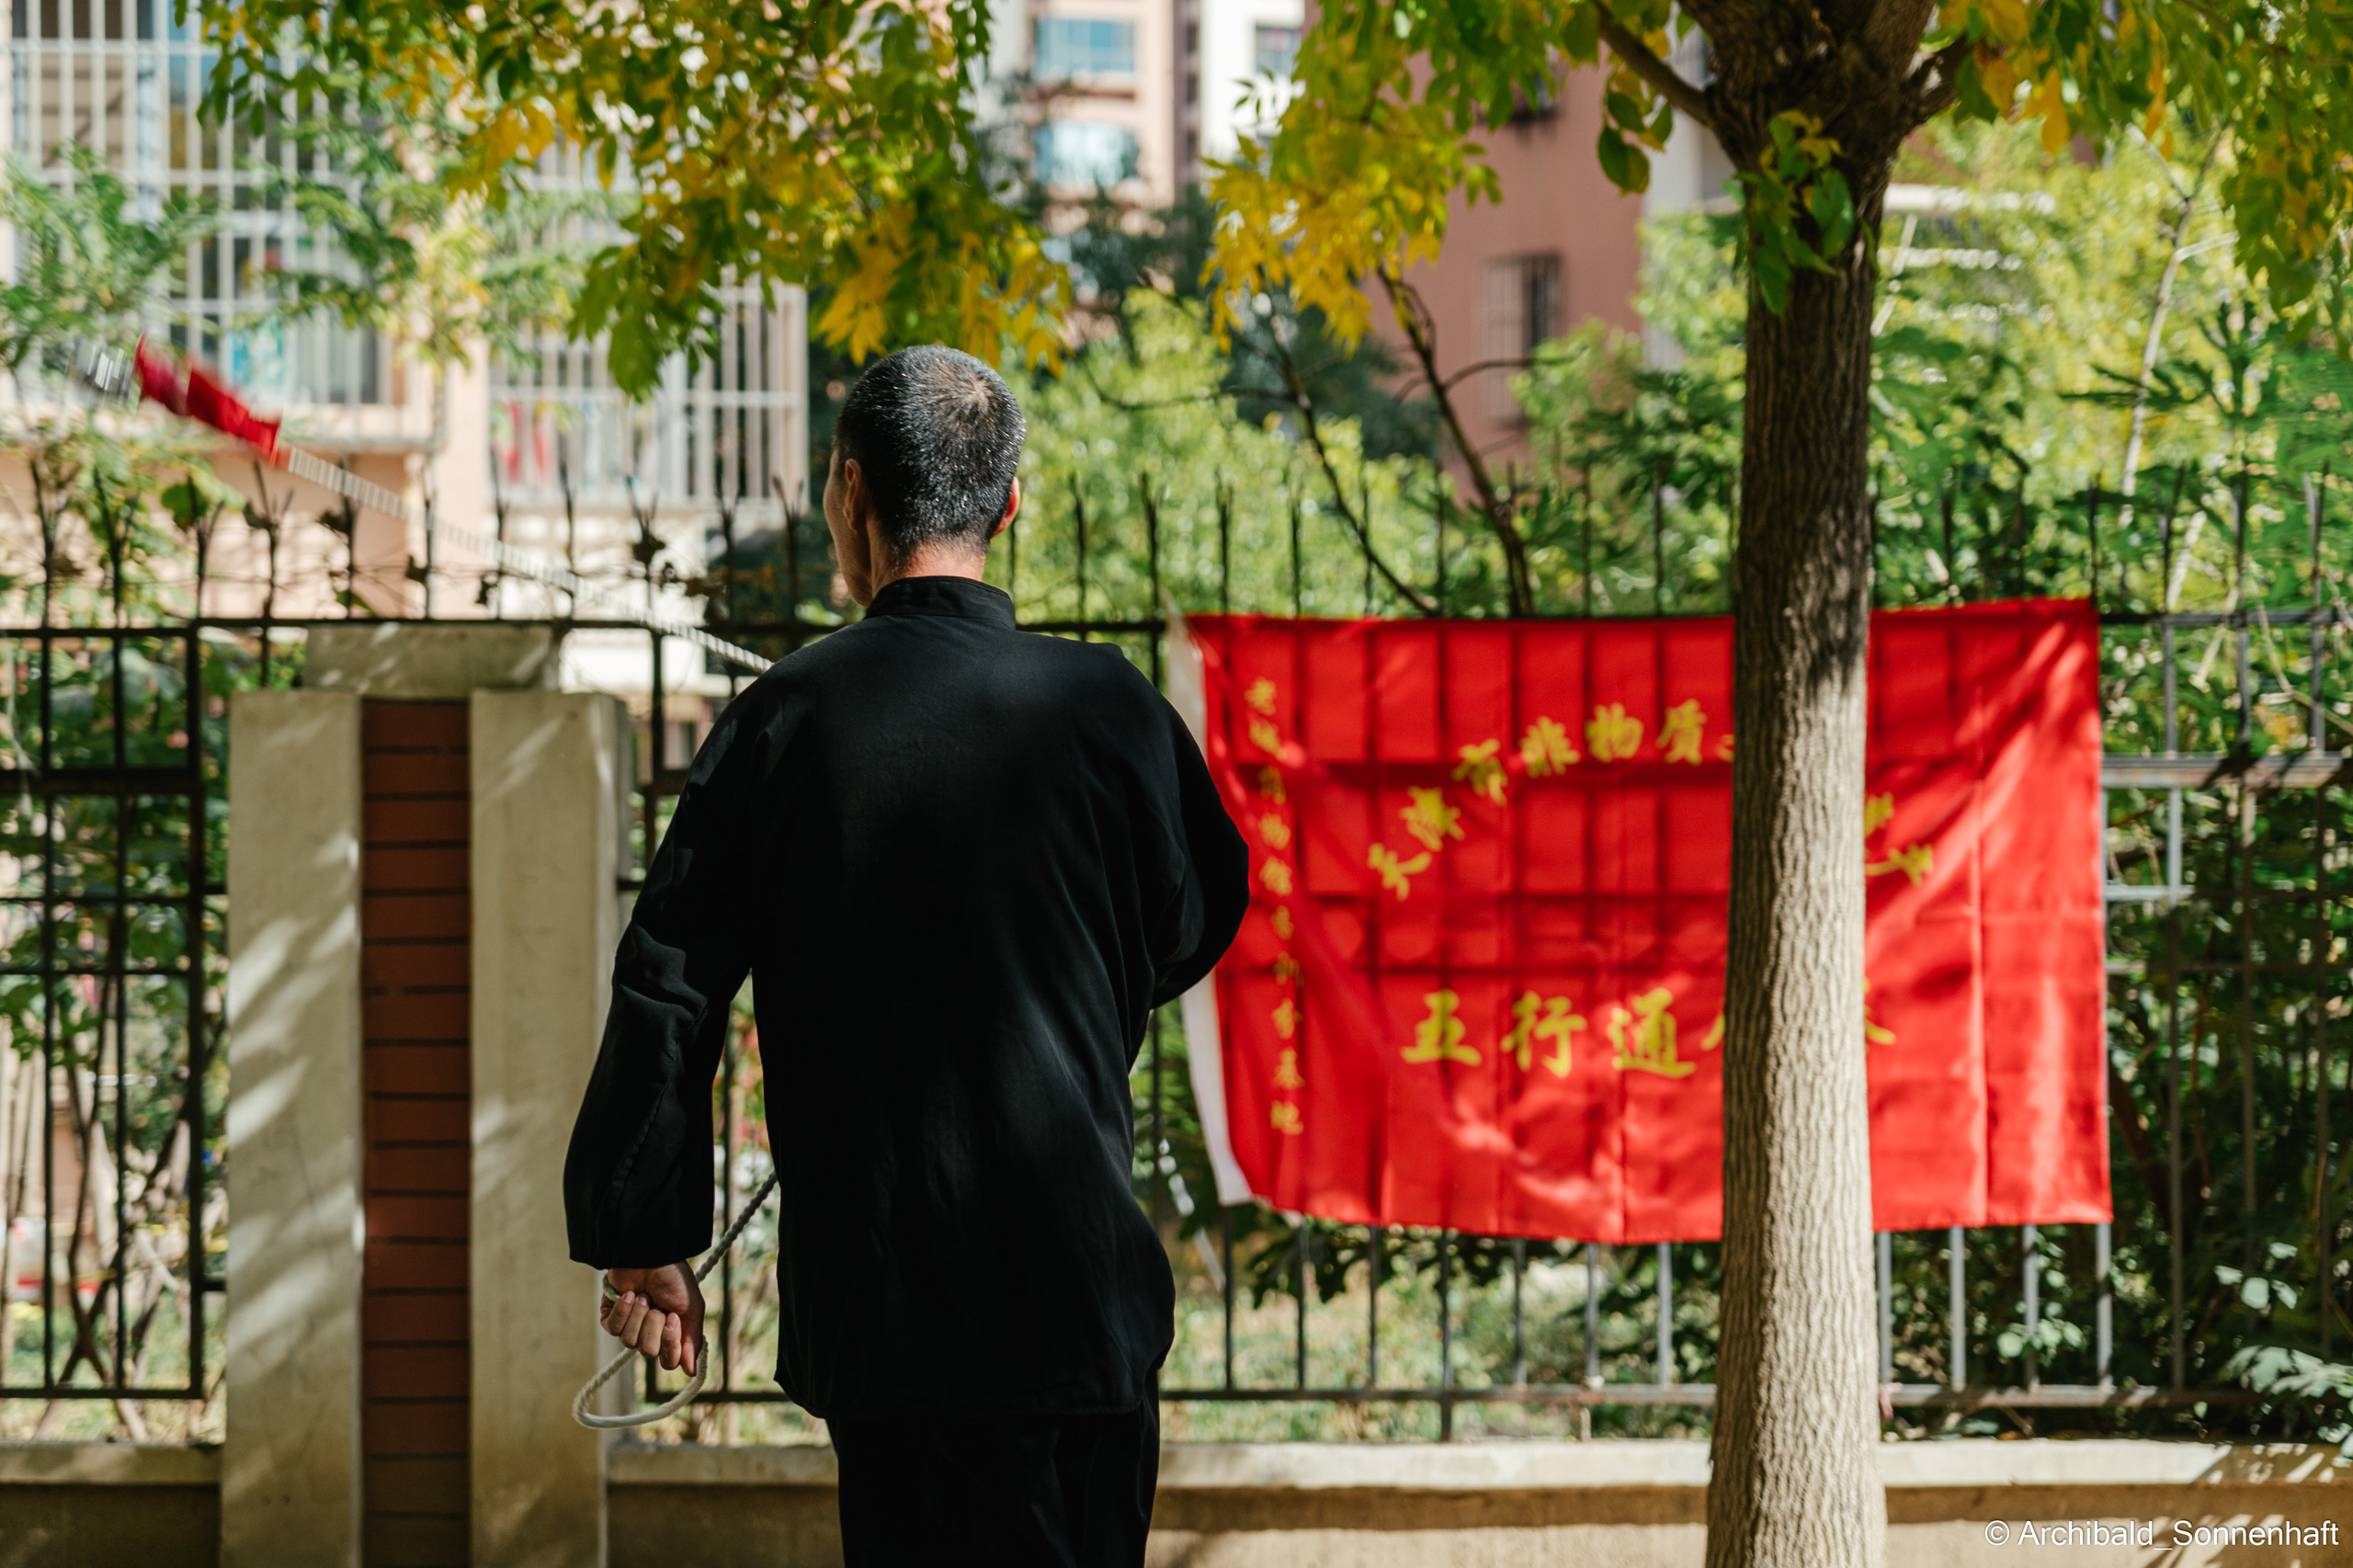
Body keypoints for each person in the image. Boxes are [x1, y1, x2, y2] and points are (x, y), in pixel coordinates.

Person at [563, 345, 1249, 1566]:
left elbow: (670, 975)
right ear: (1009, 505)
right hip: (1077, 1299)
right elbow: (1194, 920)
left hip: (891, 1322)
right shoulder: (1105, 708)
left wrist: (645, 1225)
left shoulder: (785, 720)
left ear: (848, 491)